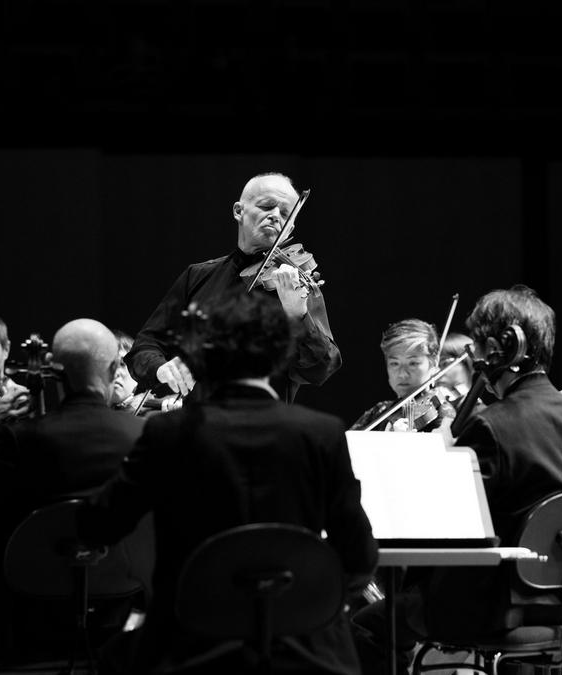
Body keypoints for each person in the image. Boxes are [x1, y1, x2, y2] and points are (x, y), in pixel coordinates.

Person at [79, 290, 378, 675]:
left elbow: (100, 524)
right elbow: (359, 558)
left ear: (203, 354)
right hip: (303, 650)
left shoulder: (168, 434)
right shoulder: (321, 434)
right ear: (283, 351)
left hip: (189, 648)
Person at [353, 286, 562, 674]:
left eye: (478, 347)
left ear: (502, 349)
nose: (474, 358)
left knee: (368, 625)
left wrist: (442, 461)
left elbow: (448, 529)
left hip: (488, 605)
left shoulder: (491, 426)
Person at [0, 318, 147, 673]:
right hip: (118, 622)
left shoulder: (17, 438)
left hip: (22, 627)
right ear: (116, 368)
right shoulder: (147, 436)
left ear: (54, 371)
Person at [125, 172, 341, 403]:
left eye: (286, 213)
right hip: (198, 422)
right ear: (239, 211)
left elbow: (322, 368)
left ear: (290, 228)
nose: (276, 216)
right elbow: (143, 348)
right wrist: (161, 368)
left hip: (265, 427)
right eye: (267, 206)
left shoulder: (297, 284)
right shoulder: (198, 275)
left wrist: (298, 315)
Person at [350, 319, 455, 432]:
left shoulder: (443, 415)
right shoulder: (379, 411)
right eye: (394, 363)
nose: (402, 374)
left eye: (413, 363)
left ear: (434, 362)